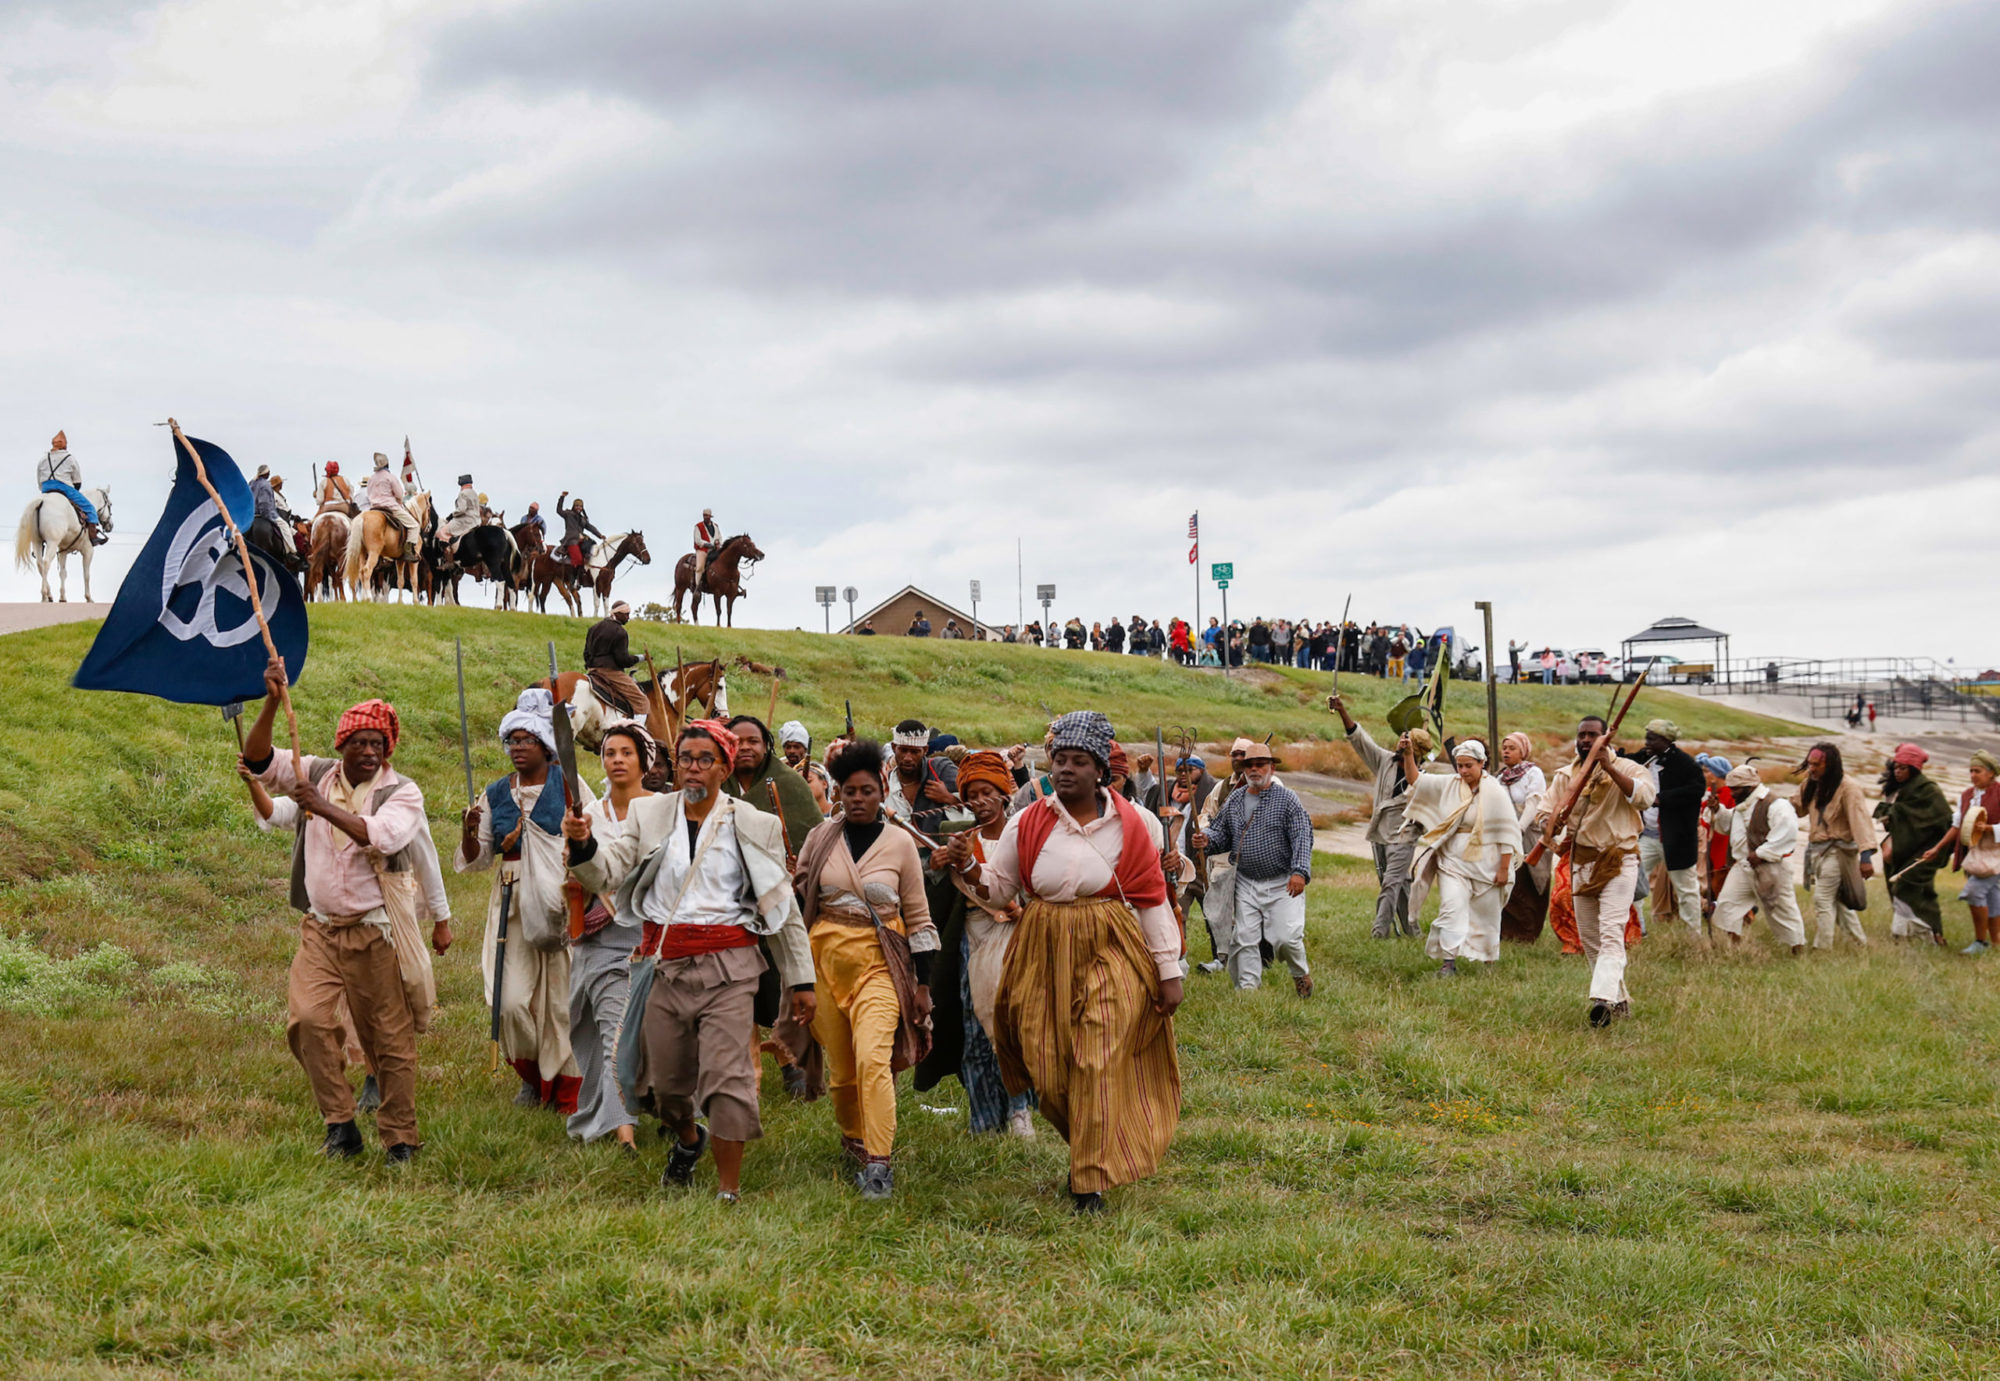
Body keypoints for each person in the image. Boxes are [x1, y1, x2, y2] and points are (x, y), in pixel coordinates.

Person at [565, 720, 816, 1202]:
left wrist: (800, 978)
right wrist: (583, 844)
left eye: (705, 760)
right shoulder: (649, 813)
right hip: (664, 965)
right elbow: (607, 871)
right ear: (673, 765)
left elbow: (779, 907)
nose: (694, 769)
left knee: (728, 1078)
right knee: (666, 1088)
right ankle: (687, 1140)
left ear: (723, 766)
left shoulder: (755, 823)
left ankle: (728, 1190)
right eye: (685, 759)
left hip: (731, 967)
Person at [968, 711, 1183, 1212]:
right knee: (1049, 1064)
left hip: (1111, 940)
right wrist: (966, 867)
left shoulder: (1130, 825)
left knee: (1098, 1053)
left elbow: (1151, 900)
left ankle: (1088, 1181)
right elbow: (999, 888)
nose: (1066, 769)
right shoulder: (1027, 820)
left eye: (1079, 762)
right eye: (1059, 760)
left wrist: (1168, 970)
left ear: (1099, 771)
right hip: (1042, 942)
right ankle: (1092, 1144)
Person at [243, 656, 451, 1163]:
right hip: (320, 930)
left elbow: (376, 836)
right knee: (308, 1022)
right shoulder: (314, 771)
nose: (368, 751)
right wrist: (271, 700)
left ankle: (399, 1136)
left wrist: (319, 804)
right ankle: (340, 1126)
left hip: (374, 934)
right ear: (341, 745)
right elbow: (258, 761)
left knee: (389, 1042)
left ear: (387, 751)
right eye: (358, 742)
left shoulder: (402, 793)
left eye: (377, 744)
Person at [793, 740, 938, 1199]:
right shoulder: (820, 838)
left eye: (867, 791)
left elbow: (918, 917)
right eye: (849, 791)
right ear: (838, 793)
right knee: (843, 1069)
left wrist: (923, 984)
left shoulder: (901, 844)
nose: (858, 798)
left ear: (882, 791)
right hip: (824, 960)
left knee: (874, 1059)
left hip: (880, 963)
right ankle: (853, 1136)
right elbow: (800, 901)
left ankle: (879, 1162)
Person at [457, 689, 592, 1114]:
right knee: (512, 1001)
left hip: (559, 904)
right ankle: (532, 1076)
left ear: (545, 744)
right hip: (512, 905)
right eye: (511, 740)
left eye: (525, 740)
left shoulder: (569, 785)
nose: (516, 748)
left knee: (559, 1003)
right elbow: (476, 860)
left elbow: (595, 841)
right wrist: (469, 831)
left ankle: (567, 1086)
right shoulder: (497, 793)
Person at [923, 750, 1037, 1138]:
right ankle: (984, 1119)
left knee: (1013, 1025)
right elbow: (937, 894)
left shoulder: (1022, 835)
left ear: (1005, 794)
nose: (980, 801)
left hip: (1019, 937)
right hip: (972, 938)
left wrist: (1019, 910)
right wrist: (937, 866)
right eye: (972, 795)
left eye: (988, 792)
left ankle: (1021, 1110)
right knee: (974, 1028)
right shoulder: (960, 838)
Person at [1536, 715, 1657, 1028]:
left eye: (1592, 735)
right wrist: (1551, 825)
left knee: (1611, 929)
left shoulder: (1630, 769)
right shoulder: (1566, 774)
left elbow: (1644, 798)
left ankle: (1602, 999)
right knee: (1589, 937)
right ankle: (1619, 1000)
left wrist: (1610, 768)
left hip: (1619, 860)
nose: (1586, 740)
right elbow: (1545, 811)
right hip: (1581, 861)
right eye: (1582, 735)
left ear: (1606, 738)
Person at [566, 724, 654, 1150]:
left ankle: (668, 1111)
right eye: (609, 752)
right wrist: (577, 846)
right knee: (611, 1029)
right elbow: (574, 868)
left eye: (626, 752)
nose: (617, 759)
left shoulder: (663, 809)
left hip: (653, 938)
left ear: (643, 761)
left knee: (654, 1035)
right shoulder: (589, 814)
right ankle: (624, 1131)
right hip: (603, 938)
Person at [1194, 741, 1314, 995]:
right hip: (1246, 880)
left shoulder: (1287, 799)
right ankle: (1248, 991)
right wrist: (1206, 839)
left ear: (1271, 767)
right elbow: (1221, 833)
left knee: (1286, 938)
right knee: (1245, 938)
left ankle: (1299, 972)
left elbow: (1302, 835)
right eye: (1250, 765)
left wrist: (1299, 871)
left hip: (1282, 881)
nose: (1254, 770)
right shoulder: (1236, 798)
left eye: (1260, 764)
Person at [1405, 741, 1522, 976]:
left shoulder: (1495, 792)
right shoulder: (1450, 784)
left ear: (1482, 763)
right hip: (1453, 860)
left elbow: (1507, 832)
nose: (1463, 771)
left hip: (1487, 861)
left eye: (1469, 766)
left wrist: (1504, 868)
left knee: (1487, 914)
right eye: (1459, 766)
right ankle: (1448, 962)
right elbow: (1416, 780)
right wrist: (1408, 754)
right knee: (1451, 907)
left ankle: (1487, 960)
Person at [1331, 694, 1433, 939]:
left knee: (1391, 882)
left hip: (1404, 836)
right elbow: (1360, 739)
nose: (1401, 743)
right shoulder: (1385, 761)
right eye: (1402, 739)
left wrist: (1410, 756)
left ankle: (1379, 932)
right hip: (1380, 832)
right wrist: (1343, 710)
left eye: (1407, 743)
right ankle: (1412, 931)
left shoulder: (1424, 778)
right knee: (1398, 885)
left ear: (1416, 750)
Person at [1708, 764, 1806, 954]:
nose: (1732, 793)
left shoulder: (1777, 805)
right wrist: (1718, 810)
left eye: (1735, 789)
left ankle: (1797, 951)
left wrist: (1761, 853)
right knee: (1727, 905)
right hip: (1742, 867)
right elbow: (1728, 826)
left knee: (1782, 911)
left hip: (1772, 867)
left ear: (1749, 787)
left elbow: (1786, 833)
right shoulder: (1742, 805)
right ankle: (1734, 948)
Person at [1795, 743, 1876, 949]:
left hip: (1838, 853)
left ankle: (1822, 948)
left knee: (1822, 899)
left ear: (1830, 765)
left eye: (1817, 765)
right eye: (1810, 764)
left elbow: (1861, 822)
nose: (1812, 768)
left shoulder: (1849, 788)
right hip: (1817, 852)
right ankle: (1860, 944)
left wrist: (1866, 858)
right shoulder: (1811, 783)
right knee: (1837, 903)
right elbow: (1795, 807)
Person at [1629, 719, 1705, 938]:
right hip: (1647, 836)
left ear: (1665, 740)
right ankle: (1637, 929)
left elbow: (1696, 789)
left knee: (1686, 889)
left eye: (1652, 738)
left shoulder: (1685, 763)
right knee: (1633, 882)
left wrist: (1662, 799)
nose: (1647, 742)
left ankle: (1694, 936)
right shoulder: (1645, 758)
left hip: (1676, 838)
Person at [1876, 743, 1953, 943]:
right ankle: (1912, 934)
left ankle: (1927, 934)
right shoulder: (1897, 789)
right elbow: (1895, 816)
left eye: (1903, 768)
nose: (1898, 772)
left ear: (1914, 769)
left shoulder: (1929, 790)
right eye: (1896, 767)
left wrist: (1936, 849)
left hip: (1928, 849)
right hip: (1904, 847)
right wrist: (1889, 814)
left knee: (1907, 887)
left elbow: (1944, 820)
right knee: (1907, 890)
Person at [1937, 749, 2000, 953]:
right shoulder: (1966, 796)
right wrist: (1937, 848)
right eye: (1971, 771)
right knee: (1992, 896)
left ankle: (1980, 942)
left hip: (1995, 854)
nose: (1973, 775)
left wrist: (1989, 829)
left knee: (1974, 892)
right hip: (1976, 853)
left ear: (1991, 773)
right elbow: (1957, 825)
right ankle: (1996, 942)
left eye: (1978, 771)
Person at [1496, 732, 1551, 943]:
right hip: (1505, 836)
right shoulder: (1500, 777)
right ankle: (1506, 932)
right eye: (1505, 748)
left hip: (1528, 835)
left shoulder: (1533, 773)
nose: (1506, 751)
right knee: (1510, 881)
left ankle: (1527, 934)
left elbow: (1534, 803)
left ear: (1523, 751)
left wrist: (1518, 828)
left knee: (1530, 881)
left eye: (1512, 748)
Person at [884, 720, 969, 839]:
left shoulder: (940, 769)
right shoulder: (885, 784)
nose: (908, 758)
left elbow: (977, 805)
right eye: (903, 750)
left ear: (925, 750)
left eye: (915, 752)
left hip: (939, 850)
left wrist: (949, 798)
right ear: (894, 748)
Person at [35, 429, 108, 545]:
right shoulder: (69, 458)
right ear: (64, 445)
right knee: (90, 508)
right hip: (64, 488)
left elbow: (39, 480)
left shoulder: (43, 459)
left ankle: (38, 543)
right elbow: (77, 481)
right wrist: (74, 492)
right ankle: (93, 537)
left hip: (45, 489)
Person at [582, 600, 646, 716]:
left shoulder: (593, 628)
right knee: (642, 701)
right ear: (617, 614)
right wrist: (640, 658)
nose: (628, 617)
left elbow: (586, 653)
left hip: (592, 669)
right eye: (626, 614)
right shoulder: (620, 632)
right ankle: (638, 731)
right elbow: (623, 660)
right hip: (610, 672)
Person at [364, 452, 421, 555]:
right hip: (391, 508)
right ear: (387, 463)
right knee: (414, 525)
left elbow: (369, 494)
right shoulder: (390, 477)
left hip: (374, 508)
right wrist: (399, 502)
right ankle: (408, 552)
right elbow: (399, 494)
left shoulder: (371, 478)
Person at [779, 721, 834, 817]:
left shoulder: (819, 770)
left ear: (805, 749)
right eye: (788, 747)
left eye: (796, 747)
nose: (792, 751)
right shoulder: (778, 770)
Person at [557, 491, 604, 567]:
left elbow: (590, 527)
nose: (579, 507)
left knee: (592, 545)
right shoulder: (568, 514)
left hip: (581, 539)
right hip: (571, 540)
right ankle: (572, 576)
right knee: (578, 560)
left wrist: (600, 535)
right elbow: (559, 510)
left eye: (580, 506)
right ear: (574, 506)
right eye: (577, 506)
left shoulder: (583, 519)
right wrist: (562, 497)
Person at [440, 475, 481, 556]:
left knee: (443, 533)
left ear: (462, 485)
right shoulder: (474, 493)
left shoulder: (463, 493)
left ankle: (449, 559)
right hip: (477, 521)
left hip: (466, 521)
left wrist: (452, 515)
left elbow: (462, 509)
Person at [689, 506, 721, 589]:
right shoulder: (698, 526)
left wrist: (719, 544)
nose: (705, 517)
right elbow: (697, 540)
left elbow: (719, 537)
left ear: (710, 516)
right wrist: (707, 544)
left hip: (714, 550)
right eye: (704, 515)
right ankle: (697, 587)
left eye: (707, 515)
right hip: (702, 549)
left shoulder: (716, 526)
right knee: (699, 567)